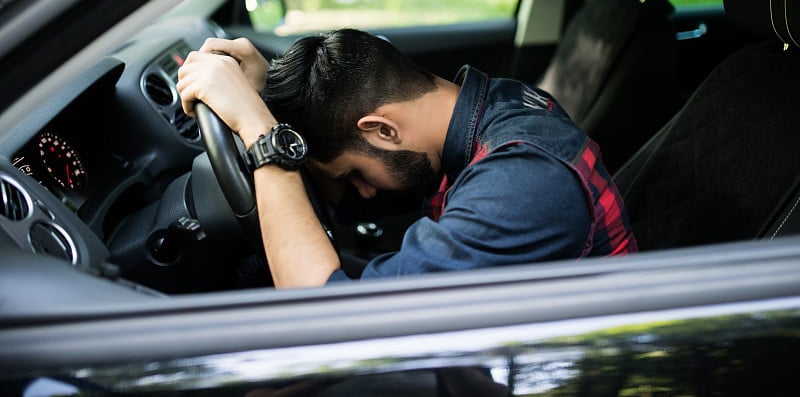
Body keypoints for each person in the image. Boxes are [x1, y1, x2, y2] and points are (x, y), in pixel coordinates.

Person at [177, 28, 637, 288]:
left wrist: (261, 133)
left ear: (384, 129)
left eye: (353, 173)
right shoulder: (498, 105)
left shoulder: (523, 182)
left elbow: (329, 322)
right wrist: (271, 90)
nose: (364, 191)